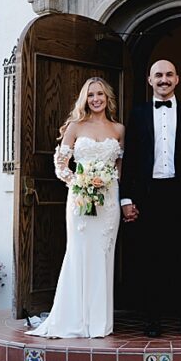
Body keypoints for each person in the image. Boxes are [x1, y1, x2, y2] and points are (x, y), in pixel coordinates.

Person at [27, 77, 125, 338]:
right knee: (79, 253)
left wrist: (107, 186)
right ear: (85, 98)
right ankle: (74, 319)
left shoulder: (118, 129)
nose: (96, 99)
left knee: (104, 256)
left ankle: (99, 323)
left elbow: (118, 168)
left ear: (107, 98)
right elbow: (61, 165)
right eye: (91, 94)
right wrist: (79, 182)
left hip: (108, 199)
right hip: (80, 197)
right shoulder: (75, 126)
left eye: (100, 94)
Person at [120, 60, 181, 338]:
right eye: (158, 75)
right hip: (148, 197)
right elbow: (129, 160)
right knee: (149, 260)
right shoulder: (137, 115)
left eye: (169, 74)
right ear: (149, 80)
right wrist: (126, 199)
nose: (164, 79)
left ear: (177, 79)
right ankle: (152, 320)